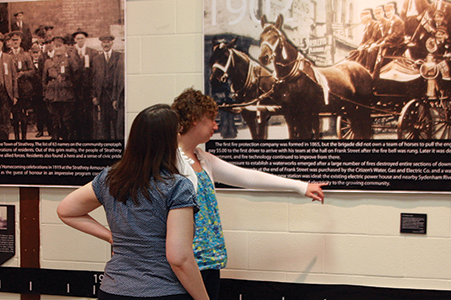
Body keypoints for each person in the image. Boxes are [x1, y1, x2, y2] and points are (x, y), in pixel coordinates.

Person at [171, 88, 326, 300]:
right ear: (195, 119)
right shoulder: (170, 162)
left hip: (210, 262)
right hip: (184, 264)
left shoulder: (203, 158)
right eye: (212, 120)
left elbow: (248, 177)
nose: (216, 126)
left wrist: (301, 186)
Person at [57, 104, 210, 300]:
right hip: (162, 291)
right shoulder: (177, 186)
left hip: (113, 291)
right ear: (168, 140)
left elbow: (66, 210)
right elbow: (179, 258)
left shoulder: (110, 178)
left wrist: (112, 237)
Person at [43, 36, 78, 140]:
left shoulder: (69, 61)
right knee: (54, 118)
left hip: (66, 94)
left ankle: (68, 138)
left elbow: (76, 74)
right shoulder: (48, 62)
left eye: (60, 46)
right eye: (56, 46)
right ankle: (55, 138)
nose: (58, 48)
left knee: (67, 118)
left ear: (64, 47)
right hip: (52, 94)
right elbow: (44, 80)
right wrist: (44, 93)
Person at [90, 35, 124, 140]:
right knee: (104, 126)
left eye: (108, 42)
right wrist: (94, 96)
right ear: (101, 44)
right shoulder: (96, 60)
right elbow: (92, 79)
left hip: (115, 96)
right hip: (102, 97)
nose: (106, 44)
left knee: (117, 125)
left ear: (112, 43)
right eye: (104, 42)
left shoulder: (119, 56)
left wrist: (115, 97)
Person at [68, 30, 100, 139]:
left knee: (88, 115)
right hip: (75, 90)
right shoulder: (70, 53)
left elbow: (95, 72)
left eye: (82, 38)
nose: (80, 40)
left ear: (85, 39)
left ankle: (88, 137)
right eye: (78, 38)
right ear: (75, 40)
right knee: (75, 115)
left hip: (88, 90)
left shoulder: (92, 52)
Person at [8, 31, 38, 140]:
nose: (15, 42)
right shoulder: (8, 55)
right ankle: (16, 138)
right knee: (15, 115)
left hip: (24, 89)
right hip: (13, 90)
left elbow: (32, 71)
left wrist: (23, 74)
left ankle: (24, 138)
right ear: (10, 42)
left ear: (20, 41)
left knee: (24, 115)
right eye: (13, 40)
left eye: (17, 40)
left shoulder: (25, 55)